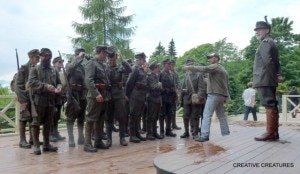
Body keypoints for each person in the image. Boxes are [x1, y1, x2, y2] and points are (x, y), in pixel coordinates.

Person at [182, 53, 230, 142]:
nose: (209, 60)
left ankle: (204, 135)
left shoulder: (215, 66)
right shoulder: (223, 69)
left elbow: (204, 69)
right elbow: (227, 84)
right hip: (221, 95)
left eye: (211, 58)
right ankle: (225, 132)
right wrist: (226, 96)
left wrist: (189, 67)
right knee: (221, 115)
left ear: (216, 58)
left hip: (214, 94)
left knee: (206, 115)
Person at [253, 17, 283, 141]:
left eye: (259, 30)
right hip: (268, 78)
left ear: (266, 30)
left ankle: (270, 133)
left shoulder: (265, 43)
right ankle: (274, 132)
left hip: (265, 78)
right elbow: (277, 62)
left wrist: (272, 77)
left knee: (268, 104)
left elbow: (268, 62)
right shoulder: (271, 42)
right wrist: (277, 75)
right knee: (272, 105)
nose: (257, 32)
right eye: (256, 30)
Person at [28, 48, 62, 155]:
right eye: (42, 56)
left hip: (51, 101)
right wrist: (46, 86)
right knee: (36, 123)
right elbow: (32, 82)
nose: (43, 57)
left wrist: (59, 88)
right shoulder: (35, 69)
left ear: (49, 57)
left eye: (46, 56)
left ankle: (47, 144)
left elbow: (59, 83)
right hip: (39, 100)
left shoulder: (53, 70)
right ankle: (37, 145)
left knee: (48, 123)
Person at [84, 45, 111, 152]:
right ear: (100, 52)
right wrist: (96, 94)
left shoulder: (102, 65)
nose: (106, 56)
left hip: (103, 95)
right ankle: (87, 144)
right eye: (105, 53)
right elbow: (88, 80)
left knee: (100, 119)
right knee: (90, 119)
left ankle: (98, 141)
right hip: (95, 96)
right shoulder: (91, 63)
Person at [106, 46, 132, 146]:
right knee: (108, 118)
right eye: (110, 59)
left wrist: (123, 60)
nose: (112, 61)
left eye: (113, 59)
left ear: (116, 59)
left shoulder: (120, 67)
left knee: (121, 117)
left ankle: (122, 138)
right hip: (108, 95)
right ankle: (109, 139)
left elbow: (130, 70)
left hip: (118, 94)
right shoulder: (105, 67)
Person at [15, 49, 40, 148]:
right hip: (25, 97)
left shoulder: (37, 68)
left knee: (33, 119)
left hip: (34, 97)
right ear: (31, 57)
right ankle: (22, 140)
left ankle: (32, 139)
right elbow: (18, 86)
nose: (38, 59)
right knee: (24, 118)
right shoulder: (24, 68)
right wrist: (23, 101)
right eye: (37, 57)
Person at [65, 48, 88, 147]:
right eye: (81, 55)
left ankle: (81, 136)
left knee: (81, 117)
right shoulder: (70, 64)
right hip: (73, 94)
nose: (83, 56)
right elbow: (70, 69)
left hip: (82, 94)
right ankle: (71, 138)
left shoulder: (82, 67)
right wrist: (78, 58)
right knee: (70, 117)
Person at [180, 58, 206, 139]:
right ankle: (186, 132)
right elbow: (183, 86)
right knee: (185, 116)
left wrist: (200, 98)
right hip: (186, 98)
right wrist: (181, 98)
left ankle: (195, 132)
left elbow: (202, 88)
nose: (189, 67)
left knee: (195, 116)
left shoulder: (199, 75)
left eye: (190, 65)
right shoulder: (187, 75)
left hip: (195, 98)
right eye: (188, 65)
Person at [125, 52, 148, 143]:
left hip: (141, 96)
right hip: (135, 95)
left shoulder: (141, 69)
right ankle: (132, 135)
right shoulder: (135, 69)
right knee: (133, 115)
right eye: (143, 59)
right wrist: (128, 95)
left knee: (138, 115)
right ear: (139, 59)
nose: (144, 61)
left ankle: (137, 133)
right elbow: (129, 83)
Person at [159, 59, 177, 137]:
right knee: (162, 114)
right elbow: (158, 85)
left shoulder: (172, 74)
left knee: (170, 114)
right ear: (164, 65)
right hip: (163, 97)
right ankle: (162, 131)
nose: (170, 65)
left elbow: (174, 86)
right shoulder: (161, 74)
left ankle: (168, 130)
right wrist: (165, 90)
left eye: (170, 64)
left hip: (171, 97)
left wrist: (176, 96)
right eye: (168, 64)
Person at [146, 62, 164, 140]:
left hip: (157, 99)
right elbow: (153, 87)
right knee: (150, 117)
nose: (159, 69)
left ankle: (154, 132)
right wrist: (159, 84)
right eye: (157, 67)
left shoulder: (156, 76)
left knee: (156, 116)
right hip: (152, 99)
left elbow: (161, 89)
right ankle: (149, 133)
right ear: (154, 68)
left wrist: (159, 85)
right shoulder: (149, 77)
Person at [50, 56, 66, 142]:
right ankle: (50, 133)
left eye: (61, 62)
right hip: (52, 97)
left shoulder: (62, 73)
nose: (61, 64)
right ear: (54, 63)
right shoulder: (51, 71)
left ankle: (55, 132)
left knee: (57, 116)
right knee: (51, 116)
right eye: (59, 62)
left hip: (59, 97)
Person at [170, 59, 182, 130]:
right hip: (168, 94)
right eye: (171, 64)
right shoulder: (166, 73)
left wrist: (178, 89)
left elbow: (178, 83)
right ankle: (168, 125)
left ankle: (174, 124)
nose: (172, 66)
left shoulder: (175, 73)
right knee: (168, 111)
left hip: (174, 94)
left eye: (173, 65)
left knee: (174, 110)